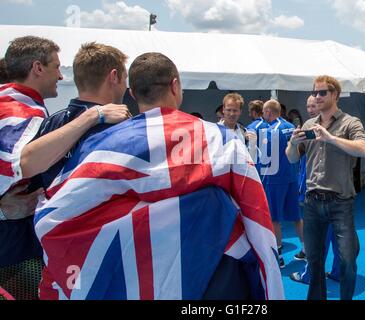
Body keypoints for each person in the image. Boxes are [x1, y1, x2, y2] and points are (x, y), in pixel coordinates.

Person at [34, 52, 284, 300]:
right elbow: (255, 213)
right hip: (214, 271)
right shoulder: (222, 139)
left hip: (137, 274)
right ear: (175, 86)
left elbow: (57, 215)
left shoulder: (102, 145)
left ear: (132, 93)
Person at [0, 36, 129, 300]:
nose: (60, 76)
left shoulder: (43, 116)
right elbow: (23, 163)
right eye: (56, 67)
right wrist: (94, 115)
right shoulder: (16, 110)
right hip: (19, 248)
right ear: (37, 68)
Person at [286, 75, 365, 300]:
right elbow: (292, 159)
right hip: (313, 202)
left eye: (322, 92)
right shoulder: (308, 124)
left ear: (335, 94)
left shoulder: (350, 122)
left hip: (341, 202)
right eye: (315, 92)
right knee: (314, 261)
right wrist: (293, 145)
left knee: (347, 261)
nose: (317, 96)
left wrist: (330, 138)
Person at [31, 42, 131, 192]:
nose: (125, 86)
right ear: (114, 76)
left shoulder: (49, 122)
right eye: (125, 78)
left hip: (50, 212)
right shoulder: (120, 126)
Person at [290, 95, 340, 284]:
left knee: (319, 235)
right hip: (334, 190)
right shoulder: (308, 128)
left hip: (321, 190)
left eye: (314, 105)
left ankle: (310, 274)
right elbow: (295, 158)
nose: (311, 109)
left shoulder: (323, 128)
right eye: (308, 105)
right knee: (336, 233)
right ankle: (337, 272)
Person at [259, 99, 301, 269]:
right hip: (291, 176)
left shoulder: (270, 130)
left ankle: (278, 255)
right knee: (296, 216)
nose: (263, 115)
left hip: (274, 178)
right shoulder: (290, 126)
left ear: (269, 112)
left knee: (274, 218)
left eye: (264, 112)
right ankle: (306, 250)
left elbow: (264, 156)